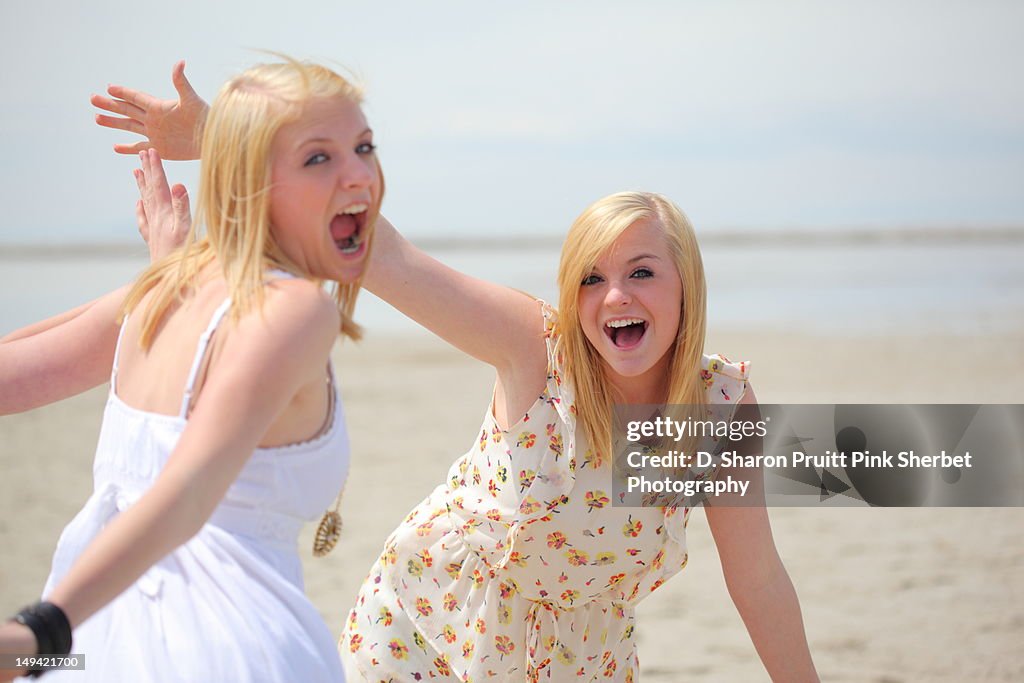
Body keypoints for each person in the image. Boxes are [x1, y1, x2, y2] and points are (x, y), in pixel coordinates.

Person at [85, 66, 819, 681]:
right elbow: (384, 255)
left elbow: (757, 577)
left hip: (584, 659)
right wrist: (223, 140)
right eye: (591, 278)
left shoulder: (718, 406)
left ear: (686, 285)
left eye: (642, 272)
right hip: (426, 631)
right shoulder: (539, 350)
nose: (615, 297)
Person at [0, 58, 383, 682]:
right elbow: (186, 492)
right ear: (249, 180)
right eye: (319, 158)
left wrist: (41, 646)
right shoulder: (295, 310)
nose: (359, 175)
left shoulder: (161, 290)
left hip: (88, 647)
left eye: (364, 147)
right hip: (229, 649)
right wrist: (32, 633)